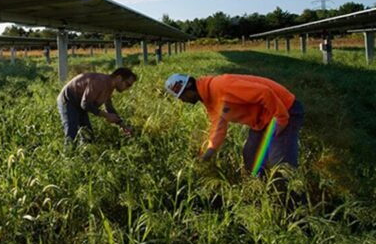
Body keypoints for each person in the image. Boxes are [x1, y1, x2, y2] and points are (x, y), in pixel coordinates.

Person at [164, 73, 304, 174]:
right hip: (262, 121)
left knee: (280, 165)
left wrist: (281, 118)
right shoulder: (208, 100)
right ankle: (264, 192)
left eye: (182, 96)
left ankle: (294, 205)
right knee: (251, 156)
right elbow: (218, 127)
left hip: (284, 109)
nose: (182, 100)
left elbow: (264, 92)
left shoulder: (221, 85)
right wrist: (210, 151)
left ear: (189, 86)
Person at [57, 68, 137, 144]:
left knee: (88, 135)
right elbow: (85, 104)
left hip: (79, 105)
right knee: (72, 134)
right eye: (128, 84)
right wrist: (106, 115)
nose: (127, 88)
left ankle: (85, 156)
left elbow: (109, 108)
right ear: (119, 78)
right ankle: (68, 154)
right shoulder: (100, 81)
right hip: (68, 100)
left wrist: (123, 125)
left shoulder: (110, 87)